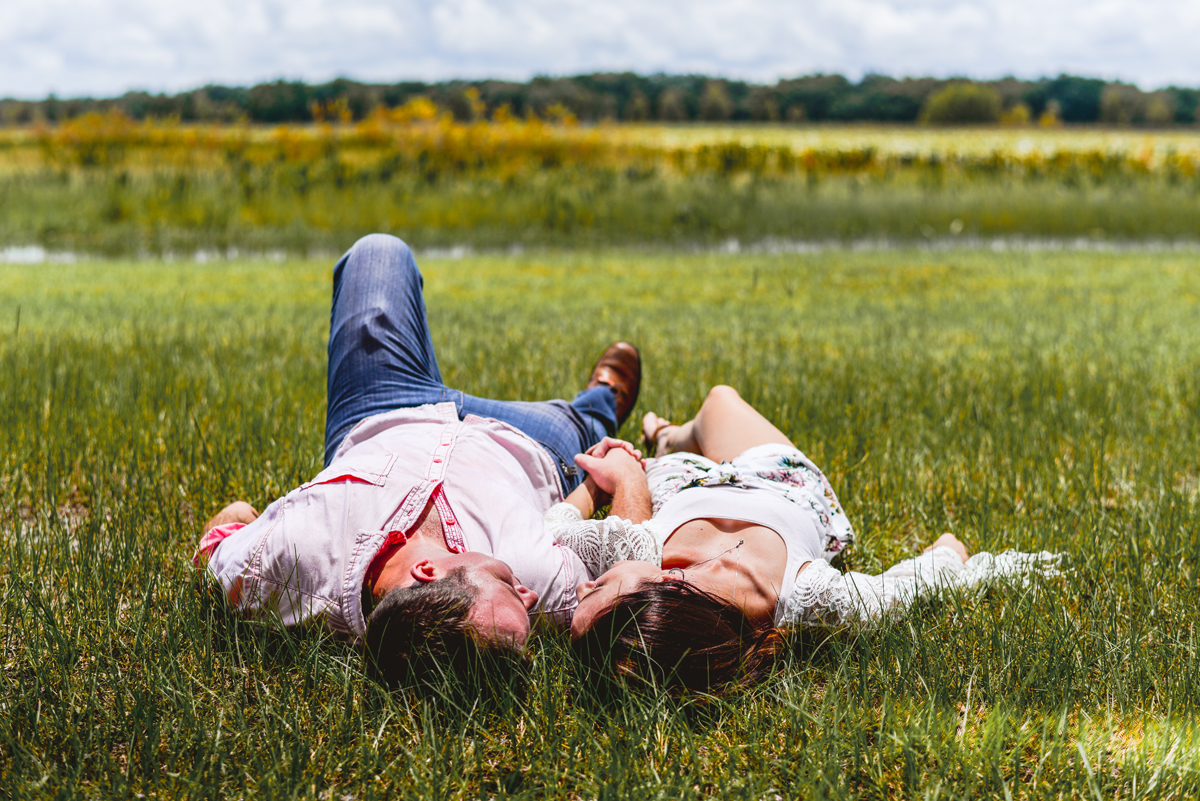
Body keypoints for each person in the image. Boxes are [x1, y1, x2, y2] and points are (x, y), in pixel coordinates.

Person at [194, 233, 643, 687]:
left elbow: (216, 547)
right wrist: (623, 478)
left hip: (384, 409)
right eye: (527, 605)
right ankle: (601, 400)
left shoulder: (290, 568)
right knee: (582, 422)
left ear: (426, 573)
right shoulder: (547, 591)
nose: (529, 596)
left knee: (378, 253)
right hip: (532, 442)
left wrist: (243, 518)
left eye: (511, 590)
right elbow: (631, 571)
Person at [551, 385, 1058, 692]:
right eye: (594, 591)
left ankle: (669, 438)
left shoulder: (636, 556)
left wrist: (601, 484)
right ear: (670, 594)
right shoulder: (805, 598)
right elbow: (917, 581)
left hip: (676, 478)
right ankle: (670, 433)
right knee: (719, 401)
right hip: (778, 479)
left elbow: (554, 529)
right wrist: (947, 550)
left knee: (702, 420)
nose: (581, 588)